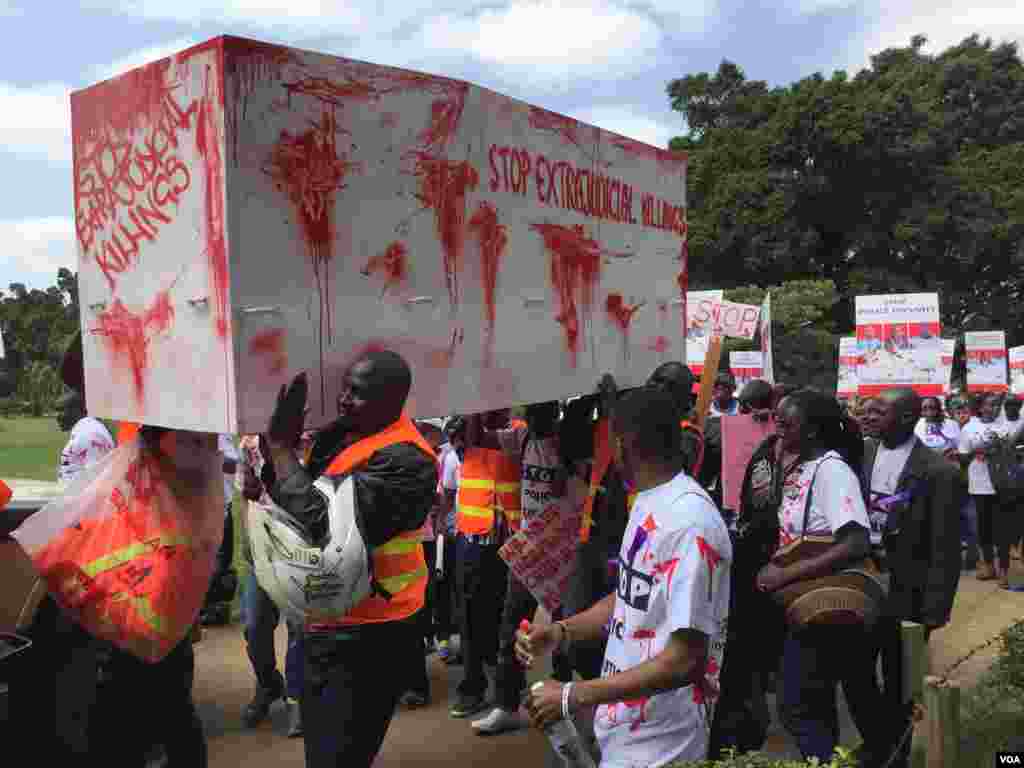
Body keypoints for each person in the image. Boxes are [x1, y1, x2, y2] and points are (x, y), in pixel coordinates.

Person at [518, 388, 732, 766]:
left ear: (623, 444)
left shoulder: (689, 524)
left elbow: (684, 661)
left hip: (664, 743)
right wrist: (560, 632)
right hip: (626, 731)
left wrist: (571, 695)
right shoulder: (649, 501)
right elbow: (627, 598)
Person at [256, 352, 438, 768]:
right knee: (325, 752)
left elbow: (327, 526)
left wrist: (283, 452)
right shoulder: (345, 434)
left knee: (339, 756)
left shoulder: (409, 461)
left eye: (356, 393)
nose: (342, 400)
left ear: (392, 401)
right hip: (328, 625)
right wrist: (275, 461)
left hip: (371, 638)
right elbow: (298, 497)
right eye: (345, 388)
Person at [756, 389, 885, 763]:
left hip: (826, 601)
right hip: (803, 601)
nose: (777, 425)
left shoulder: (833, 470)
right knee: (817, 701)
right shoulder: (797, 464)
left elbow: (856, 541)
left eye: (787, 421)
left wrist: (786, 573)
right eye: (775, 418)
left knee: (796, 705)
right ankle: (835, 759)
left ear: (813, 431)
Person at [861, 389, 966, 768]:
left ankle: (895, 755)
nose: (869, 416)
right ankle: (877, 740)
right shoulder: (864, 454)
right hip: (864, 582)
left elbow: (945, 547)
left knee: (900, 681)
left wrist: (936, 607)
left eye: (880, 411)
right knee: (856, 671)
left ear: (907, 418)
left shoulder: (939, 471)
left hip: (908, 590)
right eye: (867, 410)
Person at [467, 401, 568, 735]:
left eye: (544, 412)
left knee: (566, 630)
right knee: (510, 626)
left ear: (554, 414)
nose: (536, 418)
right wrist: (474, 403)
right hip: (527, 547)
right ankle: (506, 705)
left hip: (560, 550)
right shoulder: (521, 439)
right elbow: (479, 437)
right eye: (532, 412)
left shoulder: (569, 441)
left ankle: (564, 700)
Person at [449, 408, 518, 719]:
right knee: (470, 617)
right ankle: (473, 687)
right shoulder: (467, 435)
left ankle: (494, 685)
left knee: (497, 617)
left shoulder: (515, 433)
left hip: (503, 545)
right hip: (472, 542)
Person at [237, 435, 305, 737]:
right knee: (254, 626)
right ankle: (268, 684)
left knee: (297, 630)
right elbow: (244, 497)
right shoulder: (249, 444)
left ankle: (296, 699)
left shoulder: (310, 441)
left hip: (298, 552)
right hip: (259, 552)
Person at [959, 392, 1016, 586]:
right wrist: (979, 450)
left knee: (1003, 528)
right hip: (980, 485)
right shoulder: (969, 428)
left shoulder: (1005, 426)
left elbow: (1012, 455)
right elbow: (963, 458)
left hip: (1003, 485)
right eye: (989, 404)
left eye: (996, 405)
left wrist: (1000, 448)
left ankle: (1004, 570)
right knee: (984, 528)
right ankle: (988, 565)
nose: (993, 408)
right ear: (980, 407)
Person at [201, 434, 240, 626]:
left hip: (218, 508)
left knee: (216, 568)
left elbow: (233, 463)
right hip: (190, 509)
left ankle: (216, 611)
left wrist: (208, 456)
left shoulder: (216, 429)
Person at [436, 417, 465, 664]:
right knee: (446, 586)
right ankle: (444, 638)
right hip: (453, 535)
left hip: (469, 536)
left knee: (461, 589)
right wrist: (442, 528)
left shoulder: (461, 457)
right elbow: (446, 496)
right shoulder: (451, 460)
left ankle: (461, 642)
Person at [56, 389, 114, 486]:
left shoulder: (89, 435)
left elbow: (97, 481)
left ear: (78, 410)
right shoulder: (87, 430)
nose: (57, 416)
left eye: (62, 410)